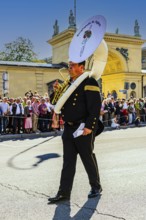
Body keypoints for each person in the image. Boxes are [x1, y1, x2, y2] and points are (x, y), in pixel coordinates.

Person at [48, 60, 104, 203]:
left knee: (87, 158)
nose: (69, 68)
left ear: (81, 67)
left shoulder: (89, 81)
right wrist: (54, 91)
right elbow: (55, 103)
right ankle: (64, 192)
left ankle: (96, 186)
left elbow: (94, 107)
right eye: (69, 65)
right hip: (68, 128)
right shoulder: (67, 84)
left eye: (72, 66)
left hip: (83, 127)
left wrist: (89, 127)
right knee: (68, 162)